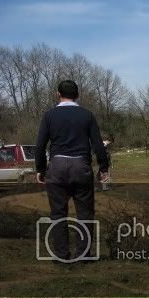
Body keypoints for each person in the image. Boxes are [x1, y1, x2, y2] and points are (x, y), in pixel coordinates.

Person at [35, 80, 109, 262]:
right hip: (81, 167)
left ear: (58, 94)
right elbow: (98, 145)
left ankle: (61, 255)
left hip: (57, 167)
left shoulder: (49, 116)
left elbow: (40, 145)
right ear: (77, 95)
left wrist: (40, 169)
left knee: (58, 213)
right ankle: (83, 255)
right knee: (85, 213)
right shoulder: (87, 115)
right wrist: (103, 167)